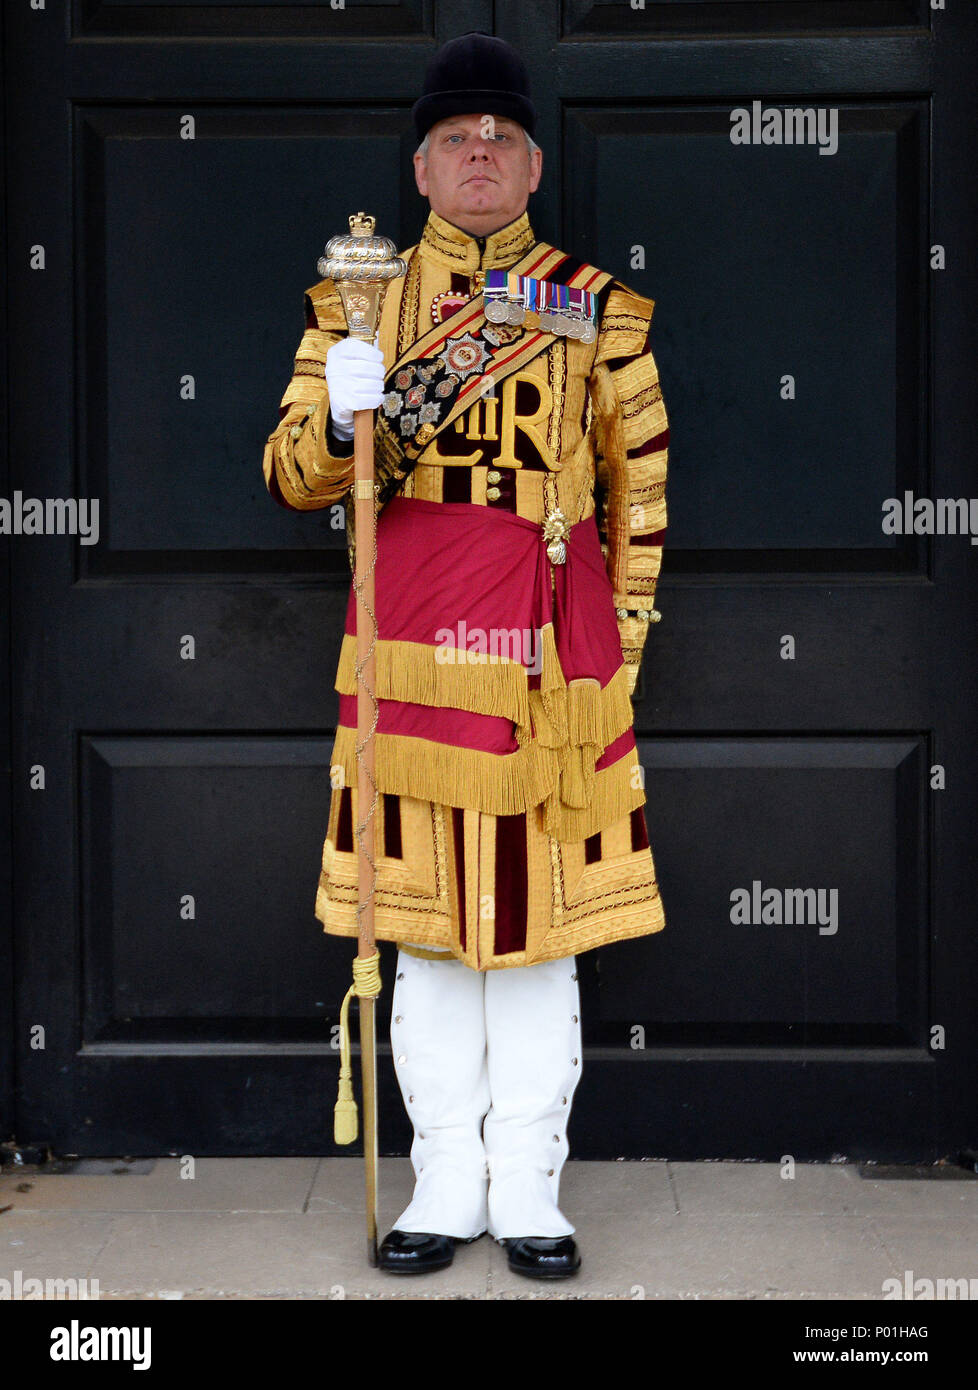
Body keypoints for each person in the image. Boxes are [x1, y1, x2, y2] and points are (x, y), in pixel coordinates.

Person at [262, 32, 669, 1279]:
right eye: (455, 139)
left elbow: (639, 499)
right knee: (426, 933)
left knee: (540, 938)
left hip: (551, 672)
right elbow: (291, 478)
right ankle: (443, 1181)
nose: (478, 155)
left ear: (535, 165)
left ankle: (530, 1185)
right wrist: (344, 419)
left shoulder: (594, 310)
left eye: (500, 139)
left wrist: (618, 662)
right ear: (421, 169)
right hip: (409, 658)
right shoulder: (355, 308)